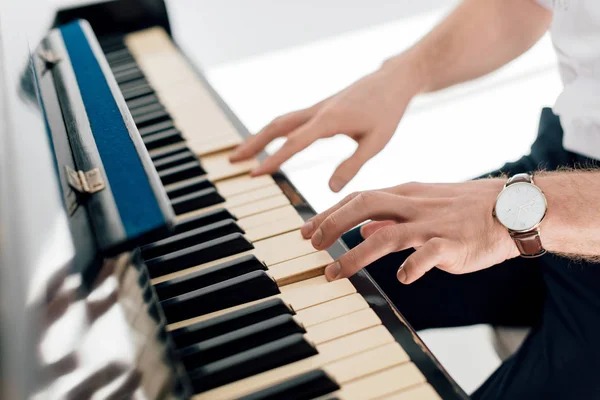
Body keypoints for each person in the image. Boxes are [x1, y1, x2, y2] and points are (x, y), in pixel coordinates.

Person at [230, 0, 600, 399]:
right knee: (306, 288)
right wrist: (402, 75)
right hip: (569, 161)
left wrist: (522, 212)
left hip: (560, 203)